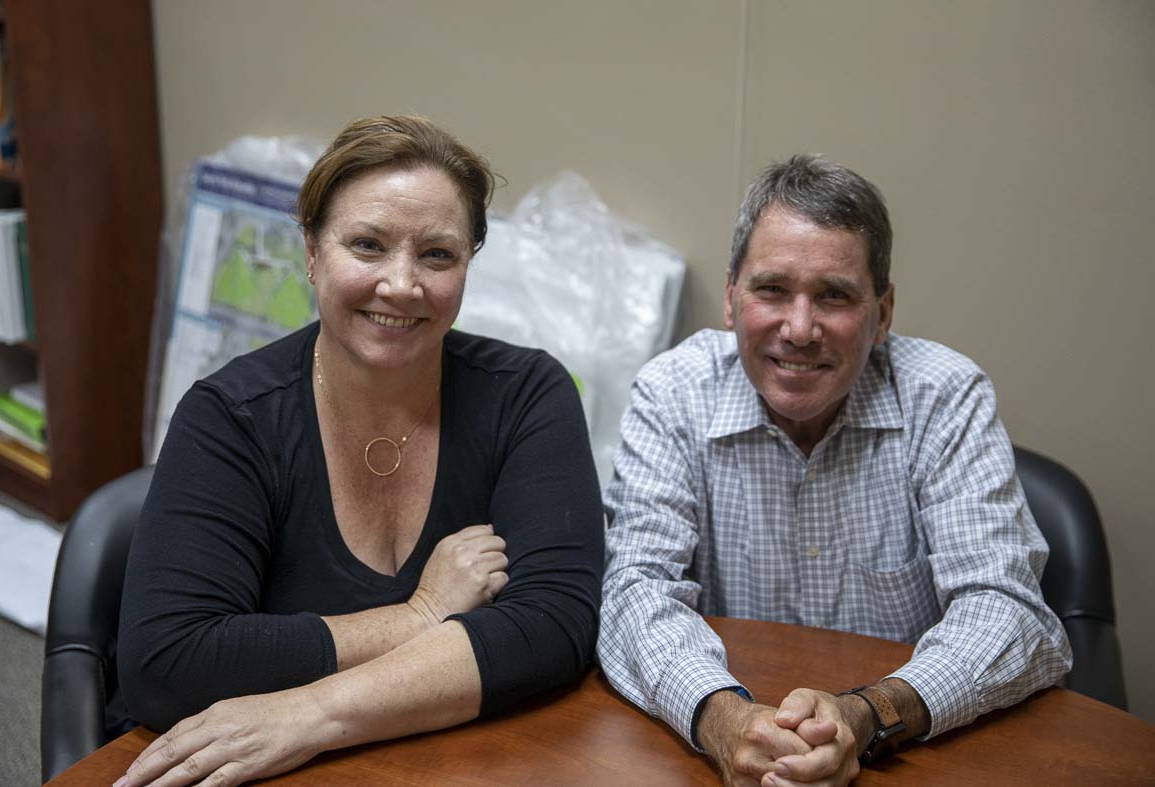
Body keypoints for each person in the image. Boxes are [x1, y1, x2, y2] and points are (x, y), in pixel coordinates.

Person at [115, 116, 603, 786]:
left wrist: (309, 711)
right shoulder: (229, 418)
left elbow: (554, 627)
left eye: (437, 255)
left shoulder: (529, 395)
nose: (402, 284)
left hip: (449, 762)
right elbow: (168, 664)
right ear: (311, 252)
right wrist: (421, 615)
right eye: (367, 245)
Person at [597, 155, 1071, 786]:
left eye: (835, 296)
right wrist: (721, 718)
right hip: (732, 752)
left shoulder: (946, 396)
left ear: (884, 312)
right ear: (732, 298)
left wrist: (866, 716)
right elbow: (633, 592)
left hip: (906, 758)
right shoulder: (672, 393)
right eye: (771, 290)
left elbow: (1010, 612)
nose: (799, 328)